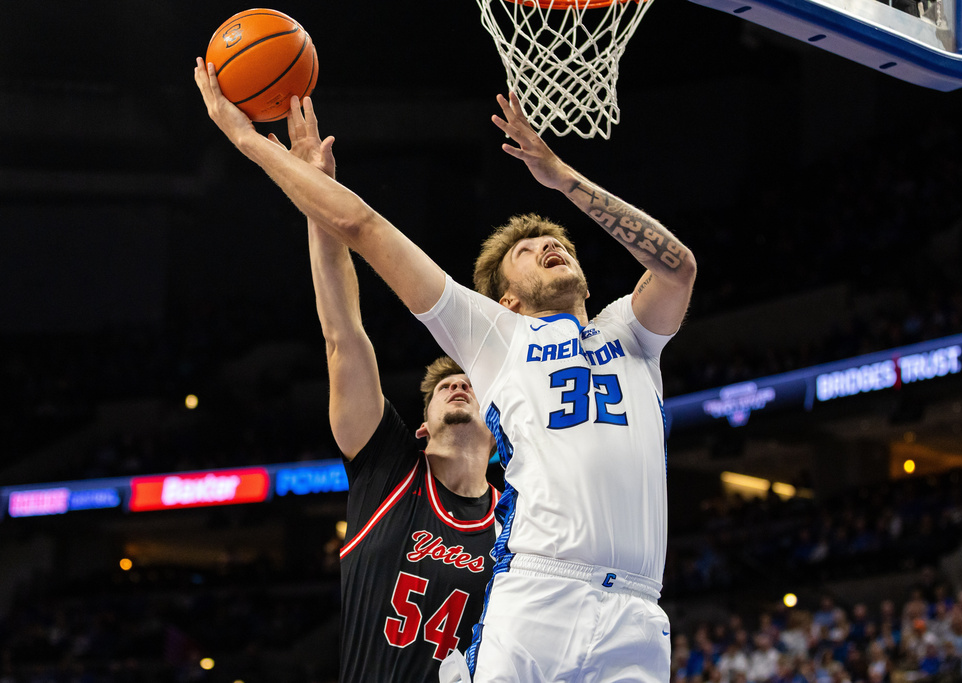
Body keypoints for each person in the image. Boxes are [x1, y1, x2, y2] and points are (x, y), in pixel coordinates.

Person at [195, 57, 696, 681]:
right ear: (504, 298)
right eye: (525, 251)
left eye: (555, 243)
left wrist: (563, 178)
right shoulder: (497, 335)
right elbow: (363, 230)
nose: (548, 245)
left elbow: (678, 267)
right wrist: (249, 142)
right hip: (541, 593)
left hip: (638, 612)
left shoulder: (633, 335)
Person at [290, 107, 498, 682]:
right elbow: (342, 334)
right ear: (421, 428)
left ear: (498, 426)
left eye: (471, 386)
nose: (459, 384)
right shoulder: (390, 470)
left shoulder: (517, 520)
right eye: (442, 389)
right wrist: (318, 196)